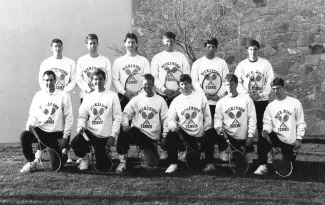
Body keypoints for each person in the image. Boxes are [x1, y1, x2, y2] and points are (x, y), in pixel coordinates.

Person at [163, 74, 228, 173]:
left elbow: (207, 116)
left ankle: (210, 163)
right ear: (179, 85)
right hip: (184, 134)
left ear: (190, 84)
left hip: (199, 134)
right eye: (182, 84)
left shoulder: (200, 97)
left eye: (186, 83)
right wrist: (173, 126)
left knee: (210, 132)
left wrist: (206, 129)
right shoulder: (176, 101)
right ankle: (173, 163)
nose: (184, 86)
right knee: (171, 135)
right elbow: (170, 119)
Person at [20, 70, 73, 173]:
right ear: (43, 81)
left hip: (55, 134)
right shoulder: (38, 95)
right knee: (24, 135)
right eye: (46, 80)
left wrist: (65, 137)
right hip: (41, 132)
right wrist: (29, 126)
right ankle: (30, 162)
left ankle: (64, 153)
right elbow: (32, 114)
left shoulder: (63, 96)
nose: (49, 83)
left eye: (51, 80)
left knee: (55, 167)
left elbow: (69, 118)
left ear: (55, 81)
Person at [116, 74, 169, 173]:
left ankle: (151, 154)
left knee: (133, 131)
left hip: (153, 134)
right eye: (145, 84)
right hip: (136, 132)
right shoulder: (136, 99)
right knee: (125, 132)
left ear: (153, 85)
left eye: (150, 84)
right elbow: (126, 113)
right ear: (142, 85)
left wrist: (165, 133)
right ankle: (122, 162)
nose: (147, 86)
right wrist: (126, 124)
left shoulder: (160, 100)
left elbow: (166, 118)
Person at [71, 69, 122, 171]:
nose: (98, 82)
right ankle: (85, 158)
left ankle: (104, 157)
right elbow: (82, 116)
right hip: (90, 132)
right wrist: (81, 125)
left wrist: (113, 135)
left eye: (100, 79)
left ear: (105, 80)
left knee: (102, 168)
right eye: (95, 79)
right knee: (75, 143)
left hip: (104, 135)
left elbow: (118, 117)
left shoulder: (112, 96)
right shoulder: (88, 97)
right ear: (92, 81)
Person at [254, 78, 306, 175]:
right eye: (273, 89)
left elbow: (301, 122)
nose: (276, 91)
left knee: (290, 168)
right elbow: (267, 122)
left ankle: (291, 154)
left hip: (289, 140)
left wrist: (299, 138)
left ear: (283, 87)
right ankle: (262, 165)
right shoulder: (270, 106)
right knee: (262, 140)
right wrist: (266, 130)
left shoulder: (295, 103)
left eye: (278, 88)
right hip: (275, 137)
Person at [234, 39, 275, 162]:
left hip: (261, 100)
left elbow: (270, 81)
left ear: (258, 50)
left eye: (255, 49)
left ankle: (266, 153)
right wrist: (247, 94)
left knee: (262, 127)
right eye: (250, 49)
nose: (253, 52)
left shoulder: (265, 64)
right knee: (246, 127)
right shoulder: (242, 65)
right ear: (247, 50)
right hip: (247, 100)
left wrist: (261, 94)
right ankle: (249, 153)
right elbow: (238, 82)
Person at [214, 74, 257, 170]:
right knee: (228, 160)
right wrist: (218, 128)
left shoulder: (246, 99)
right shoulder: (221, 102)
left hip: (242, 137)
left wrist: (250, 136)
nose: (229, 87)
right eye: (227, 85)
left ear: (237, 84)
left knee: (243, 163)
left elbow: (252, 118)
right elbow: (217, 119)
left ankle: (247, 151)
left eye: (231, 84)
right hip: (228, 137)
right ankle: (225, 150)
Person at [191, 37, 229, 118]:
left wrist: (219, 94)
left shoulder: (222, 63)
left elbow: (226, 81)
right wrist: (203, 94)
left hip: (219, 101)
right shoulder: (197, 63)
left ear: (216, 48)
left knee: (218, 124)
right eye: (208, 47)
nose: (211, 49)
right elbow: (194, 81)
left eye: (213, 47)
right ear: (205, 48)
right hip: (203, 101)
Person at [112, 33, 151, 110]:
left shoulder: (143, 60)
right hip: (124, 97)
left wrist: (139, 93)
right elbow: (114, 79)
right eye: (128, 42)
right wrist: (124, 92)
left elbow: (147, 79)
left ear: (136, 44)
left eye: (133, 42)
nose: (131, 45)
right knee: (124, 121)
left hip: (140, 96)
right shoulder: (118, 61)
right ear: (125, 44)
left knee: (139, 121)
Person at [151, 31, 191, 106]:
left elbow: (187, 75)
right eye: (167, 41)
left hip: (179, 94)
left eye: (171, 41)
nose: (169, 43)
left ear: (175, 42)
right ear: (163, 42)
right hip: (162, 95)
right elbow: (154, 77)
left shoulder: (181, 57)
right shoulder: (157, 57)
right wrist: (164, 90)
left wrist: (180, 90)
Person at [76, 34, 112, 104]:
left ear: (97, 44)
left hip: (102, 97)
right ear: (86, 45)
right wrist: (88, 89)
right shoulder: (81, 60)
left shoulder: (105, 60)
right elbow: (79, 78)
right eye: (90, 43)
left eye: (94, 43)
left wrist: (102, 92)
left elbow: (108, 79)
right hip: (86, 96)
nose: (92, 45)